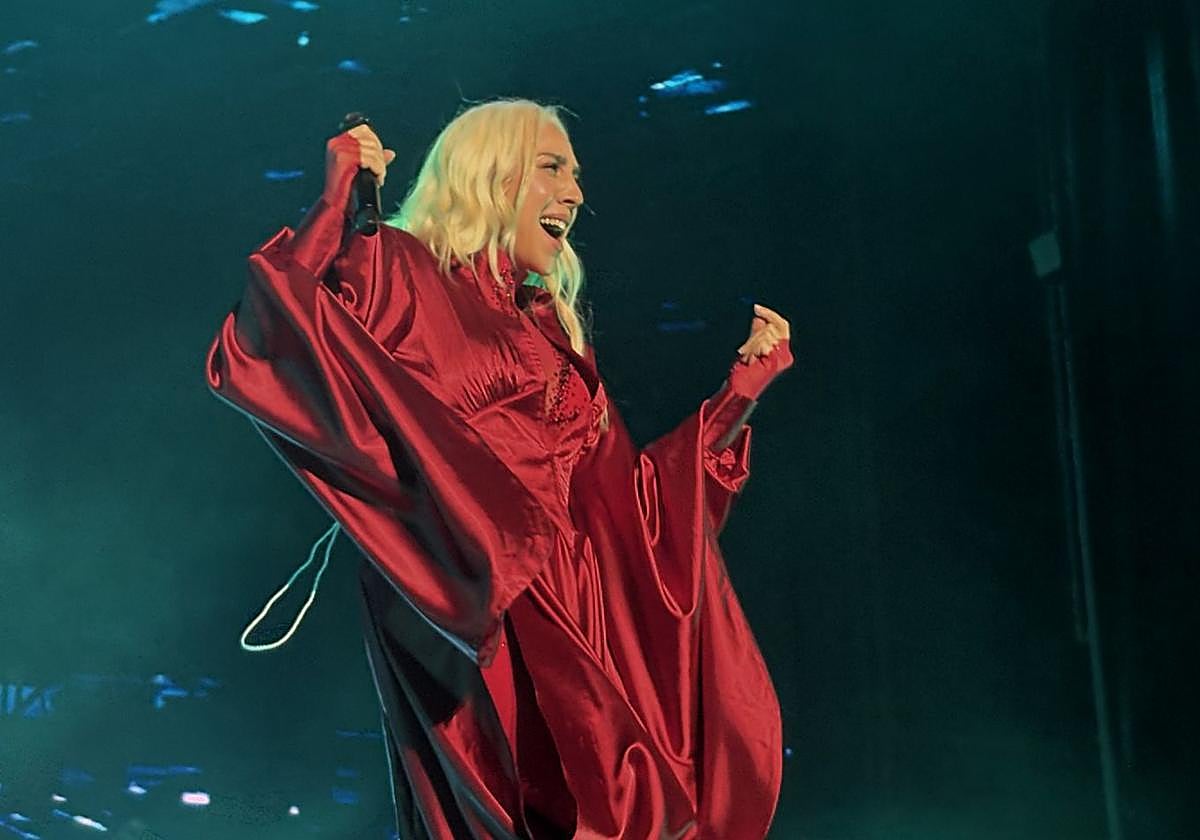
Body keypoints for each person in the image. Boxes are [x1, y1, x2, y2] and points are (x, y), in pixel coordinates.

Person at [205, 98, 792, 839]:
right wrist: (334, 201)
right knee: (523, 808)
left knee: (618, 801)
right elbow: (266, 340)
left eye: (575, 175)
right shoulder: (395, 266)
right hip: (469, 582)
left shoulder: (549, 330)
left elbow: (630, 504)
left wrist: (737, 397)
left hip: (575, 603)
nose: (574, 192)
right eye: (551, 168)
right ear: (490, 173)